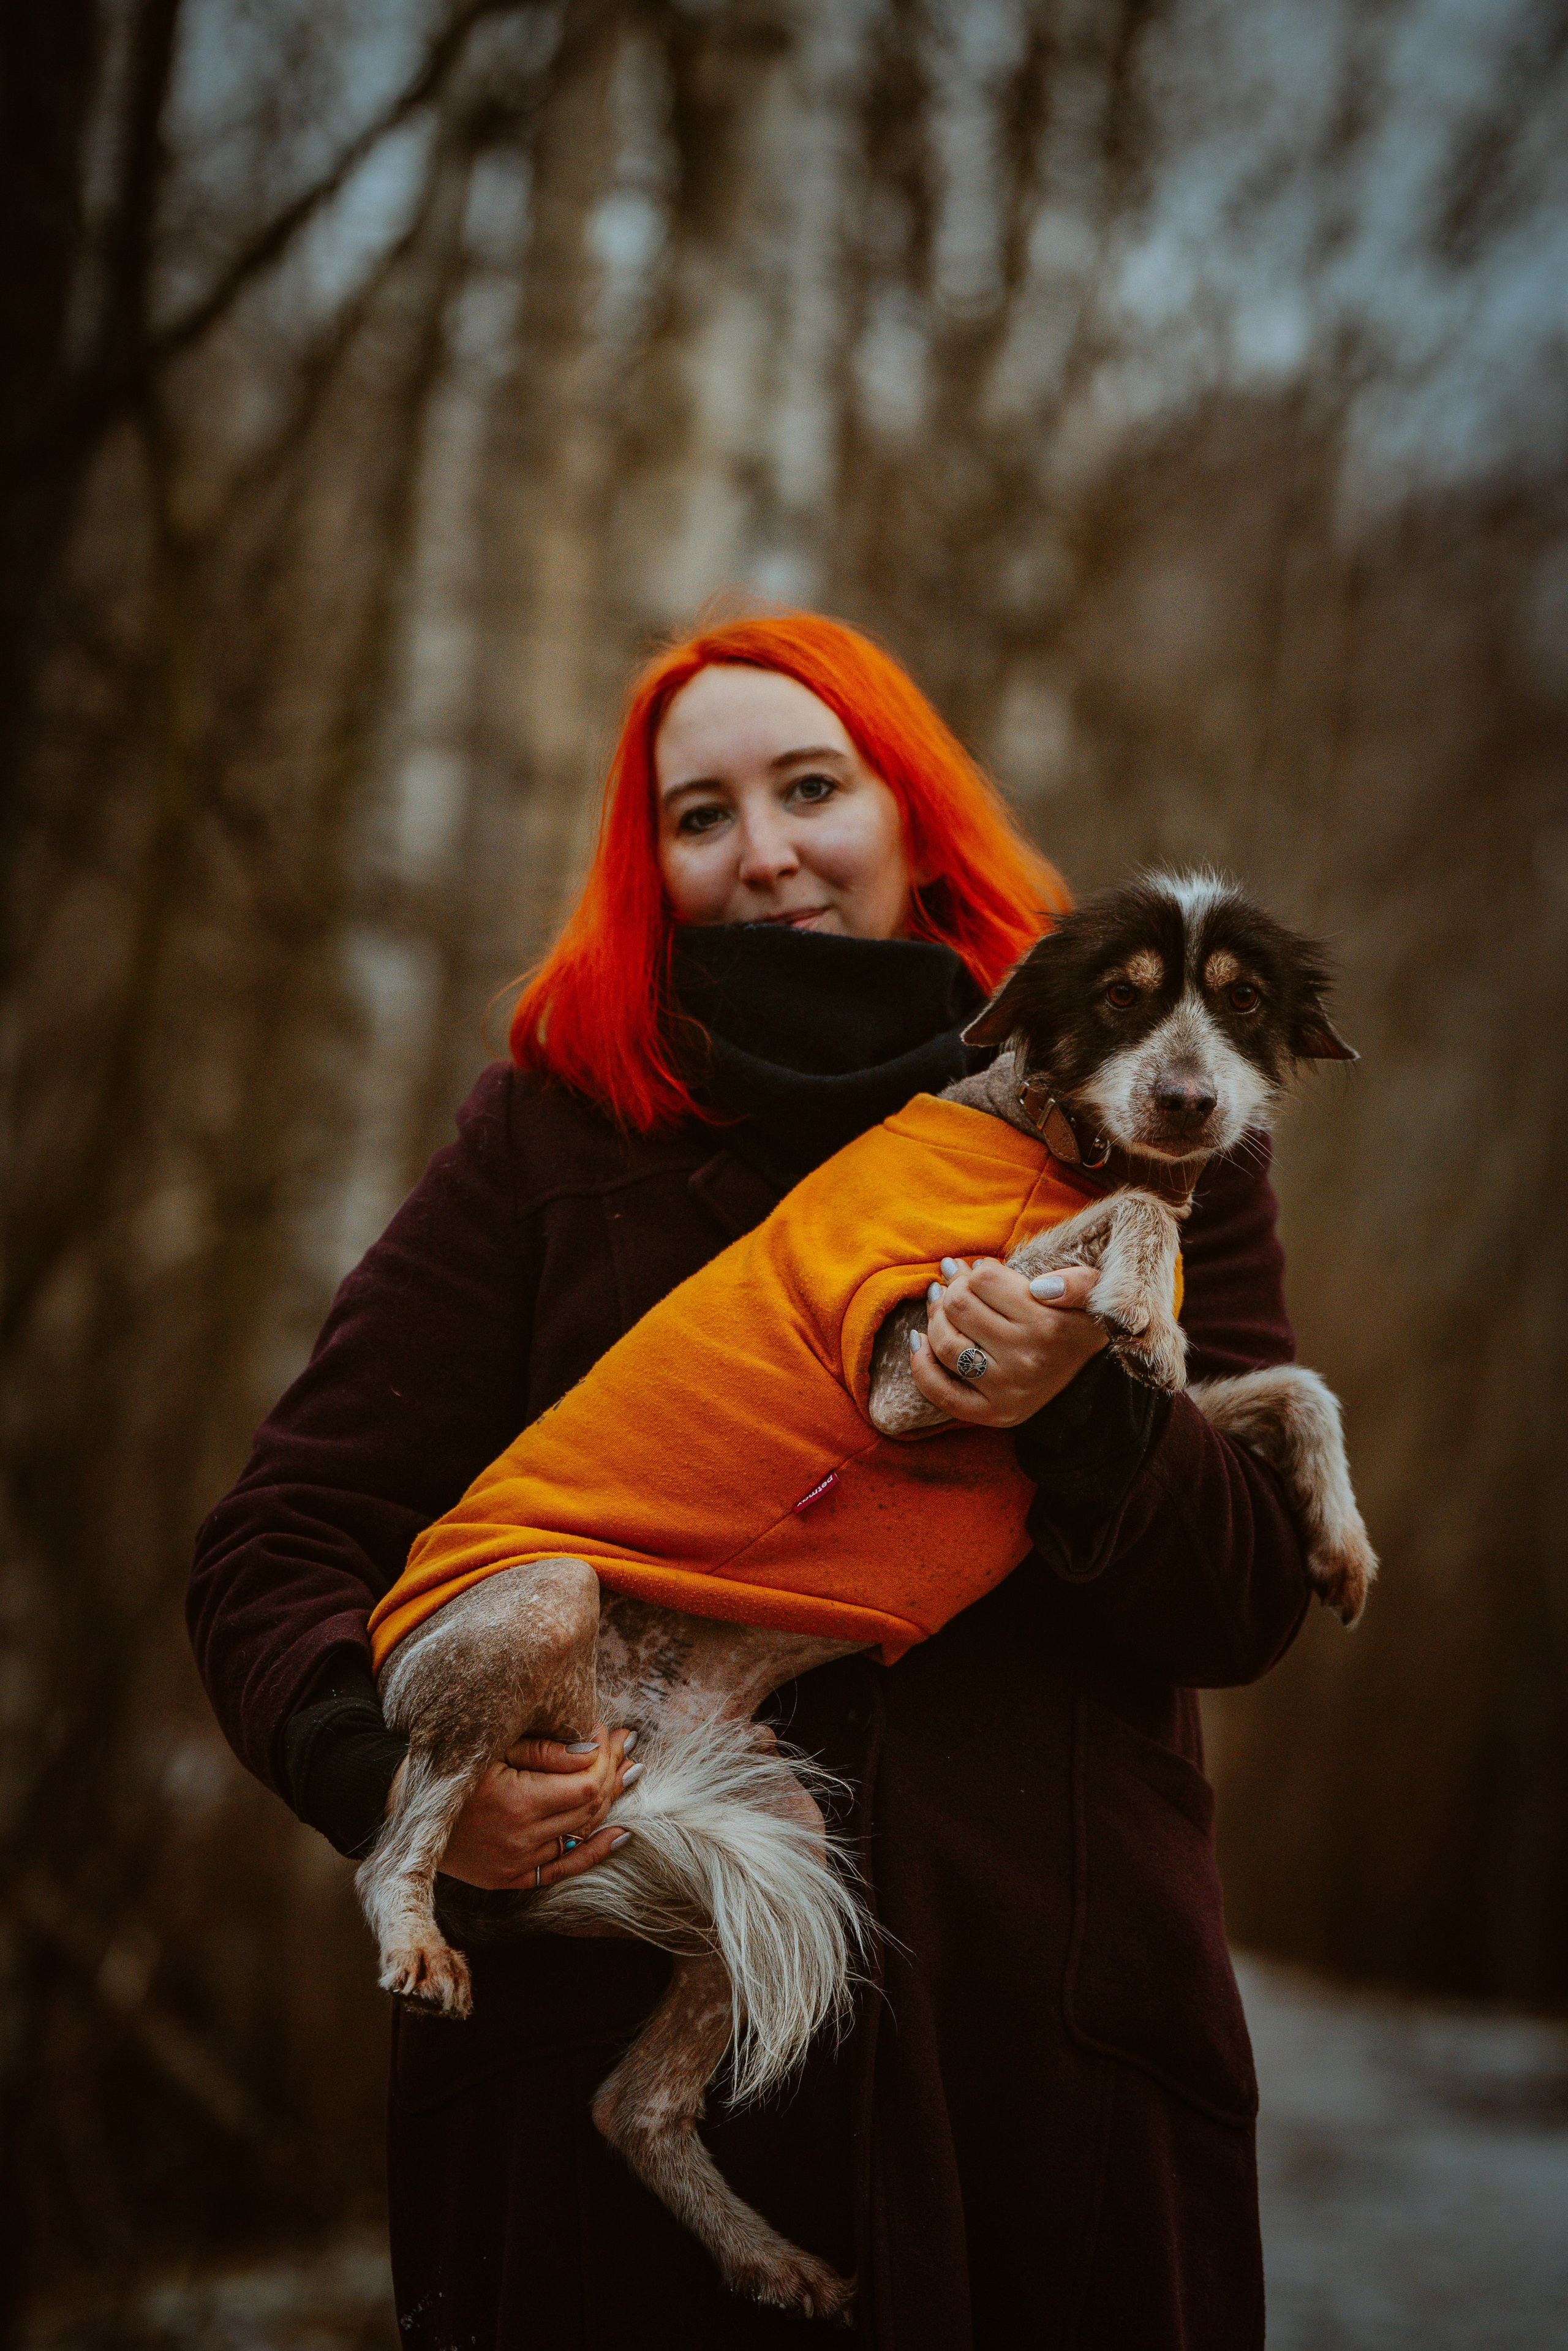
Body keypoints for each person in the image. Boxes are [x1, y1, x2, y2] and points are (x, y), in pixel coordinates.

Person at [189, 611, 1310, 2351]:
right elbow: (286, 1537)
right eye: (698, 816)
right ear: (647, 869)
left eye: (811, 787)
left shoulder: (1158, 1123)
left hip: (1034, 2081)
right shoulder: (552, 1139)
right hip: (601, 2100)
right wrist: (393, 1782)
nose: (766, 849)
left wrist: (1075, 1401)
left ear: (916, 814)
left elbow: (1244, 1595)